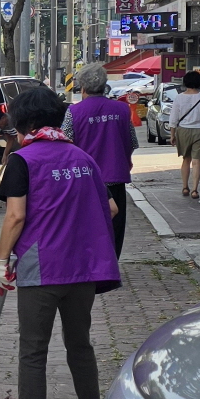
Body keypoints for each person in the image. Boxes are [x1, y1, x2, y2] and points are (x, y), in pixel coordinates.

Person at [0, 85, 120, 399]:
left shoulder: (23, 160)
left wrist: (1, 260)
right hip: (82, 269)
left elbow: (15, 215)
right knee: (80, 343)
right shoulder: (82, 158)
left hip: (41, 269)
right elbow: (110, 209)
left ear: (24, 124)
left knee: (33, 348)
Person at [63, 64, 138, 256]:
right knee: (115, 226)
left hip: (85, 180)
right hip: (115, 177)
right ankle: (112, 262)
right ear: (104, 85)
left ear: (82, 87)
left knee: (87, 223)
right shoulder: (122, 109)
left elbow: (65, 145)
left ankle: (92, 261)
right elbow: (131, 142)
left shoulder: (74, 112)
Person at [169, 70, 200, 200]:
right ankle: (194, 190)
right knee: (196, 162)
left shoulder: (179, 97)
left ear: (185, 82)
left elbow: (173, 118)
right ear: (199, 83)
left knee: (186, 159)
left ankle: (184, 187)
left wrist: (172, 135)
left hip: (183, 131)